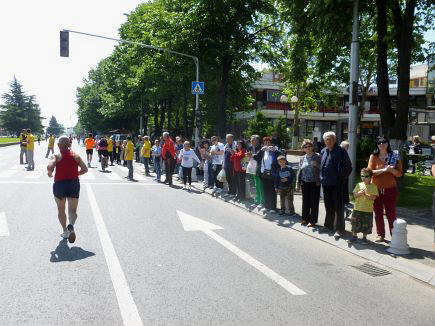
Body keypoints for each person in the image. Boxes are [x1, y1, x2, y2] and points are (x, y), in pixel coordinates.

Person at [47, 136, 88, 243]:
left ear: (58, 145)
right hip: (74, 184)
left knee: (61, 209)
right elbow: (85, 169)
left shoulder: (56, 155)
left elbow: (50, 165)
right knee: (73, 210)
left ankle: (65, 231)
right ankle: (71, 225)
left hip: (60, 184)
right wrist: (77, 173)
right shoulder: (76, 156)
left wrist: (50, 172)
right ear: (69, 144)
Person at [368, 136, 403, 242]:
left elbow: (400, 174)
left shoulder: (394, 156)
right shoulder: (373, 157)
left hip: (390, 189)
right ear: (377, 145)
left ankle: (394, 236)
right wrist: (384, 170)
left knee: (391, 213)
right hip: (376, 189)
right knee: (378, 213)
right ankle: (380, 234)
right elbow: (369, 172)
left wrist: (391, 171)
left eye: (384, 142)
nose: (381, 144)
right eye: (379, 143)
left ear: (387, 144)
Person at [320, 131, 352, 239]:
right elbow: (322, 166)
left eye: (330, 139)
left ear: (334, 140)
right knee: (328, 206)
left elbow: (349, 167)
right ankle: (328, 225)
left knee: (339, 208)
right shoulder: (323, 150)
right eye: (326, 139)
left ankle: (339, 229)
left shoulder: (341, 151)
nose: (328, 141)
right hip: (326, 183)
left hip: (337, 184)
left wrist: (342, 179)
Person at [253, 136, 284, 213]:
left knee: (272, 191)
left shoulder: (275, 151)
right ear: (263, 144)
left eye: (268, 143)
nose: (267, 144)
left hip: (272, 174)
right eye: (265, 143)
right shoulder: (263, 151)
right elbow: (256, 157)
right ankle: (267, 206)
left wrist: (276, 150)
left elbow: (282, 157)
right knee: (266, 190)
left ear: (271, 144)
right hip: (264, 174)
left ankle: (273, 208)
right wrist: (260, 150)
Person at [348, 168, 379, 244]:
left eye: (366, 176)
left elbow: (373, 198)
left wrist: (366, 194)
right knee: (355, 223)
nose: (364, 178)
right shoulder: (359, 184)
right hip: (357, 208)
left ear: (371, 177)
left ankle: (364, 238)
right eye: (362, 176)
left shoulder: (373, 186)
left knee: (366, 225)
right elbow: (354, 195)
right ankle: (354, 236)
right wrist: (359, 193)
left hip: (367, 210)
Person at [296, 139, 321, 226]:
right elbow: (299, 171)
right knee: (305, 201)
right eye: (306, 147)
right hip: (304, 182)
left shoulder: (317, 156)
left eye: (309, 146)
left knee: (314, 202)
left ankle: (313, 221)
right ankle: (305, 218)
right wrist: (297, 184)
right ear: (303, 149)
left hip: (314, 182)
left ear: (312, 147)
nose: (308, 148)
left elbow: (323, 168)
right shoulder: (302, 158)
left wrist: (317, 165)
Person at [246, 135, 264, 208]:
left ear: (258, 141)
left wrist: (251, 155)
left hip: (259, 168)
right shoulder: (250, 147)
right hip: (252, 167)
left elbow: (258, 156)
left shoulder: (261, 147)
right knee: (255, 184)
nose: (252, 141)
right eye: (251, 140)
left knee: (260, 185)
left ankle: (262, 201)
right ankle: (257, 200)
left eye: (253, 140)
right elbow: (248, 156)